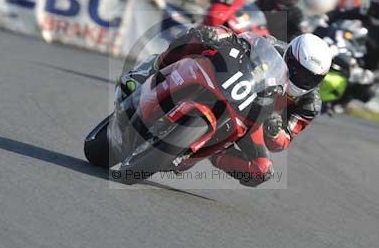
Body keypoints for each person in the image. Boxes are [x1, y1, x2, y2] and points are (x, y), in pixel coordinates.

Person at [119, 26, 332, 187]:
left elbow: (283, 142)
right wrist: (217, 36)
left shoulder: (309, 103)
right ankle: (152, 69)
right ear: (290, 55)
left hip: (256, 119)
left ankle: (215, 153)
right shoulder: (274, 47)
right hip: (234, 83)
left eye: (309, 78)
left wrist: (275, 130)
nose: (300, 79)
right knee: (199, 37)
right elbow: (241, 39)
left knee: (261, 171)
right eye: (297, 70)